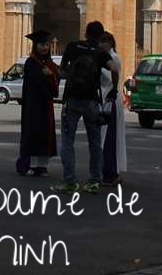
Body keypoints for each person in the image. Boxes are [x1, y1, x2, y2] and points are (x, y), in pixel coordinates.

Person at [55, 20, 119, 194]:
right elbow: (114, 69)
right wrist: (114, 88)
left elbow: (61, 71)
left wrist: (68, 76)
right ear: (100, 36)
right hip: (91, 101)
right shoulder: (100, 52)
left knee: (67, 142)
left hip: (72, 100)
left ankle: (69, 181)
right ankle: (94, 181)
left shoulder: (72, 47)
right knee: (95, 143)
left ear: (85, 33)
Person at [16, 29, 61, 177]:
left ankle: (42, 166)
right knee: (32, 132)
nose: (44, 48)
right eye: (41, 45)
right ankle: (27, 164)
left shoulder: (51, 64)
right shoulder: (30, 62)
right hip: (33, 104)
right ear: (35, 46)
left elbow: (57, 79)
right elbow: (34, 80)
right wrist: (46, 75)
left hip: (46, 105)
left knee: (45, 134)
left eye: (47, 44)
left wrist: (51, 75)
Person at [99, 32, 127, 187]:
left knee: (109, 139)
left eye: (105, 41)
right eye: (100, 41)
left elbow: (110, 77)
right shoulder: (100, 56)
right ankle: (102, 171)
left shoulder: (113, 58)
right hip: (101, 100)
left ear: (111, 43)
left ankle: (110, 173)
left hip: (110, 101)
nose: (102, 44)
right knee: (100, 139)